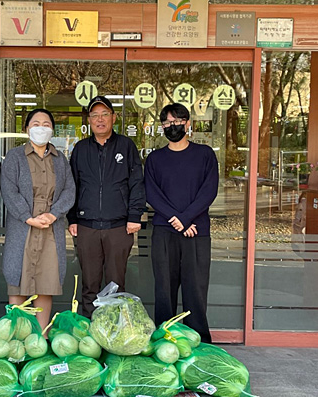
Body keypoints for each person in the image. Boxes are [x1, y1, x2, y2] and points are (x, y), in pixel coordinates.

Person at [145, 103, 219, 343]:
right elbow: (152, 193)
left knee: (195, 291)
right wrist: (177, 221)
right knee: (164, 291)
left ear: (188, 123)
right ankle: (164, 343)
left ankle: (199, 343)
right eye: (166, 123)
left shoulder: (205, 155)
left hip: (197, 233)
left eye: (177, 122)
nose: (172, 126)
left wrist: (185, 219)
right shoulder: (155, 159)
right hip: (165, 233)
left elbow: (209, 191)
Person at [67, 96, 145, 318]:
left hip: (119, 226)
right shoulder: (81, 149)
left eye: (104, 114)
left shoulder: (126, 146)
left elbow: (136, 183)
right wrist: (72, 218)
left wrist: (134, 215)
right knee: (89, 284)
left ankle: (115, 331)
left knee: (116, 285)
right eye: (94, 116)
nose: (100, 120)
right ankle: (89, 332)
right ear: (89, 121)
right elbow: (73, 184)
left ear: (113, 117)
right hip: (87, 226)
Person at [1, 109, 75, 331]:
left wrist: (54, 214)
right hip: (22, 227)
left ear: (52, 130)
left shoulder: (60, 159)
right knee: (18, 281)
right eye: (36, 124)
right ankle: (19, 335)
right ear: (26, 129)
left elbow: (70, 190)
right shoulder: (14, 157)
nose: (41, 128)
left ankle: (41, 335)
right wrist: (27, 217)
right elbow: (8, 190)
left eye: (46, 124)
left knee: (46, 283)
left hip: (50, 228)